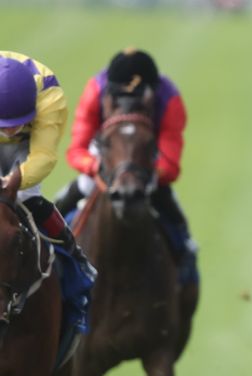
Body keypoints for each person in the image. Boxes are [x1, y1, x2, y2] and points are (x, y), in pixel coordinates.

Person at [55, 48, 197, 284]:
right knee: (82, 185)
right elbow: (76, 150)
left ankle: (184, 255)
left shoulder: (170, 99)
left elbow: (170, 165)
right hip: (106, 153)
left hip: (146, 158)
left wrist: (144, 174)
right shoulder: (96, 90)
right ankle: (49, 243)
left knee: (169, 205)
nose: (128, 105)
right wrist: (96, 166)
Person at [0, 51, 96, 283]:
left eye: (17, 123)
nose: (10, 130)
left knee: (25, 195)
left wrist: (13, 180)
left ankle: (74, 255)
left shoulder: (50, 98)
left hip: (28, 144)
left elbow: (43, 157)